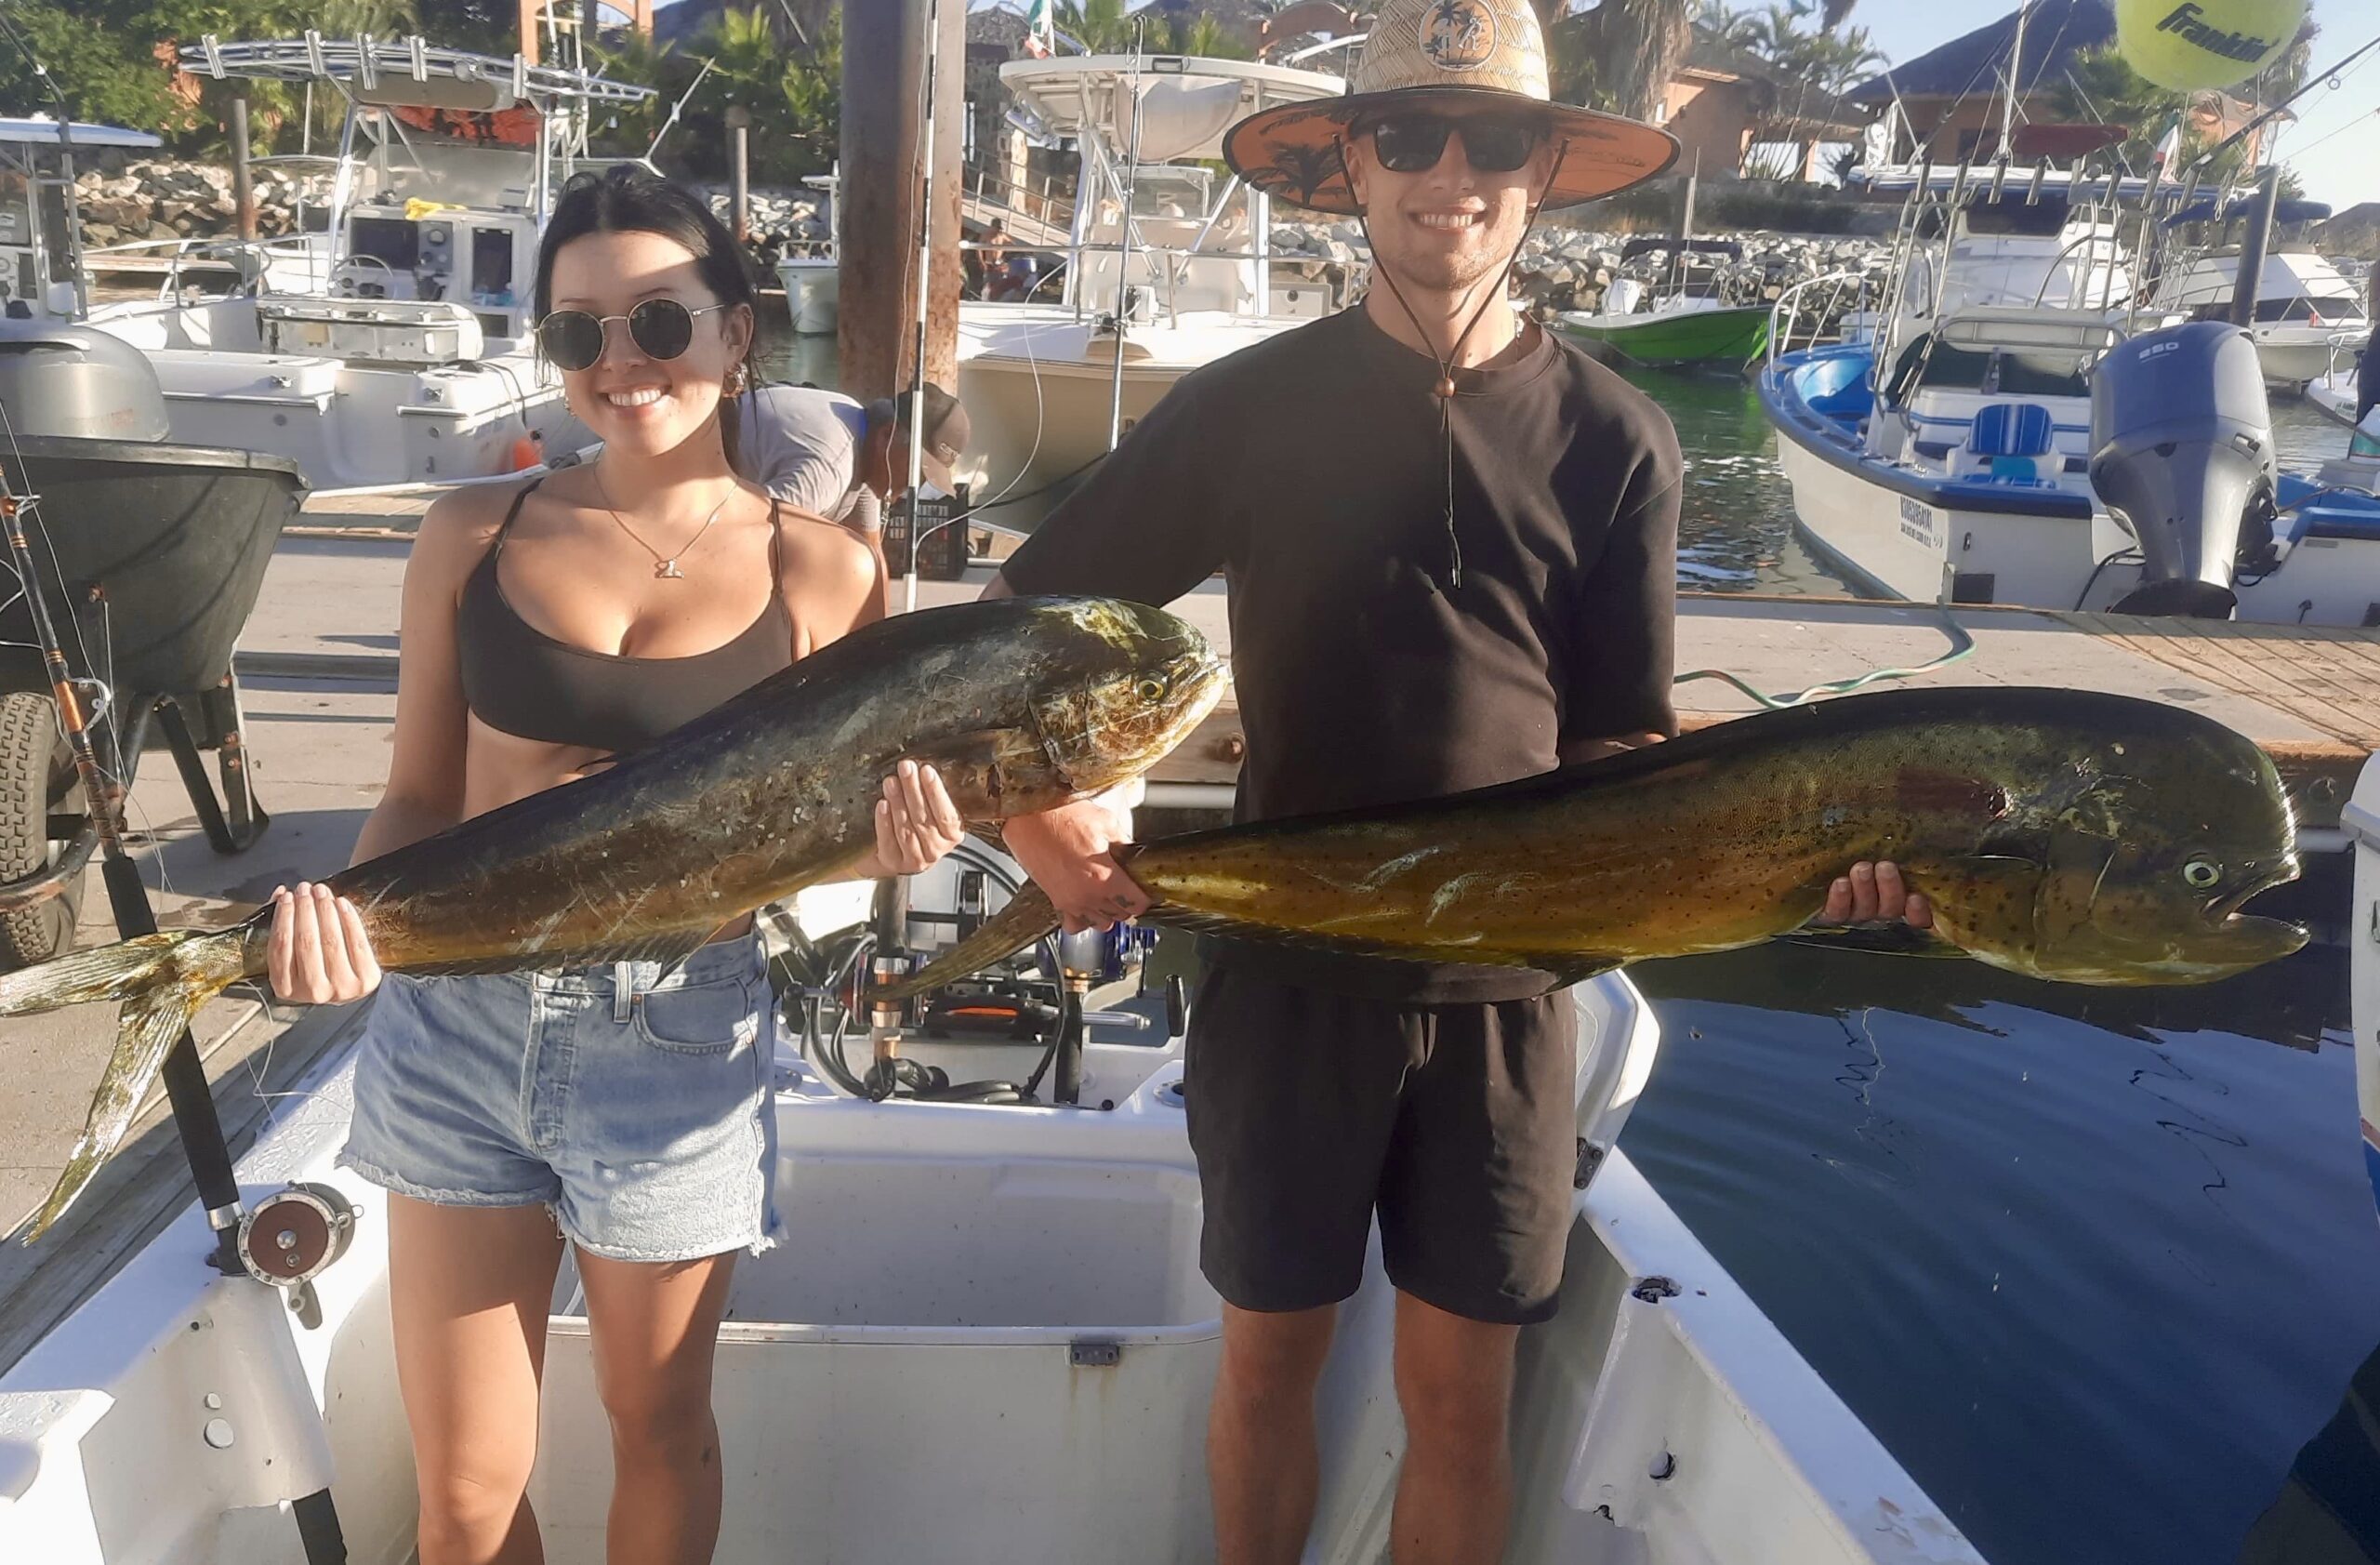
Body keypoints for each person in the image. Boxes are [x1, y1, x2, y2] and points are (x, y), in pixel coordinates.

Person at [985, 2, 1930, 1560]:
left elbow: (1624, 736)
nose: (1452, 173)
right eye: (1409, 135)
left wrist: (1811, 866)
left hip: (1511, 987)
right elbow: (1032, 618)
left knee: (1461, 1400)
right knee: (1269, 1363)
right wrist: (1047, 810)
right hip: (1284, 960)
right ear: (1350, 163)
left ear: (1546, 168)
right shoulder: (1248, 403)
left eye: (1493, 140)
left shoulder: (1616, 435)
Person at [264, 166, 965, 1565]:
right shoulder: (470, 532)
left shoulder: (825, 570)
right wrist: (344, 923)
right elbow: (413, 798)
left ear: (737, 329)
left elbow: (835, 835)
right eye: (579, 334)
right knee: (465, 1495)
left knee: (661, 1430)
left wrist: (905, 851)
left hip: (681, 1032)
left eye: (658, 321)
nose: (622, 363)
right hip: (452, 1021)